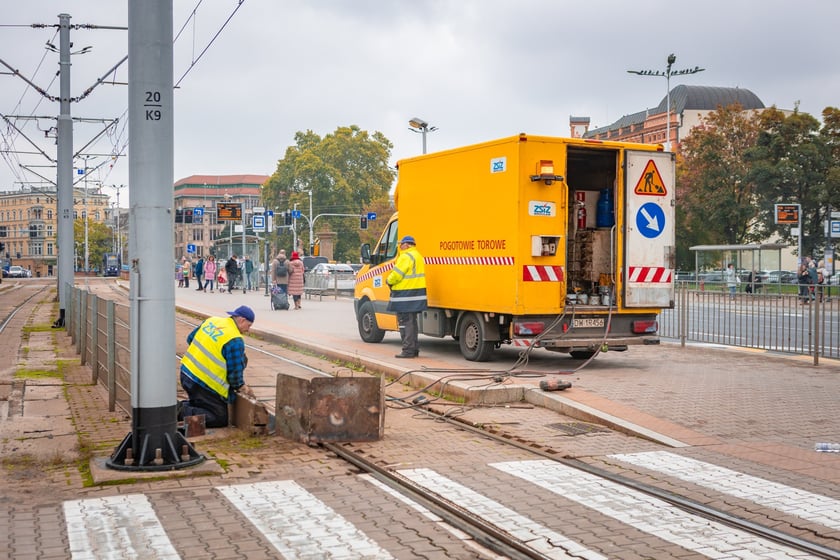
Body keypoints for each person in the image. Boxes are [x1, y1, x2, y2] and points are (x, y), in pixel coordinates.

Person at [178, 305, 256, 428]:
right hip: (202, 383)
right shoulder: (234, 339)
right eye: (249, 325)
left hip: (186, 373)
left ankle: (181, 407)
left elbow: (190, 339)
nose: (248, 330)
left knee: (202, 405)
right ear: (242, 320)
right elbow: (234, 374)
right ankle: (177, 411)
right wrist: (241, 387)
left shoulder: (212, 321)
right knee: (218, 418)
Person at [386, 235, 427, 358]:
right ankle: (414, 349)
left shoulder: (405, 257)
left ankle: (408, 350)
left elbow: (397, 275)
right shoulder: (418, 256)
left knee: (404, 323)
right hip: (416, 294)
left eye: (401, 244)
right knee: (412, 322)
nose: (400, 246)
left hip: (405, 295)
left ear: (407, 244)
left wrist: (388, 280)